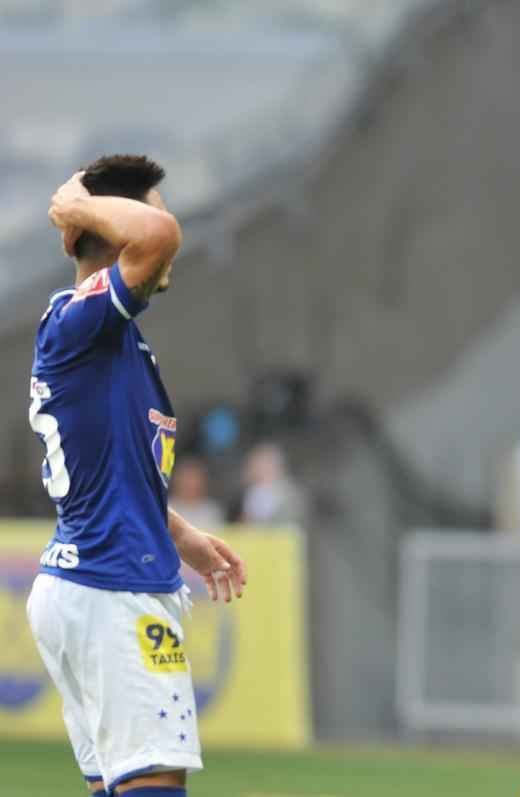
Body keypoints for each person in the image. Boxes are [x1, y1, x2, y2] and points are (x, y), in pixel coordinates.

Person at [26, 155, 247, 797]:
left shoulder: (105, 336)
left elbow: (110, 468)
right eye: (151, 210)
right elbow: (159, 239)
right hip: (112, 588)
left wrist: (181, 535)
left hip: (87, 584)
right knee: (155, 787)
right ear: (105, 227)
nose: (167, 228)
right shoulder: (83, 319)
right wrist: (74, 209)